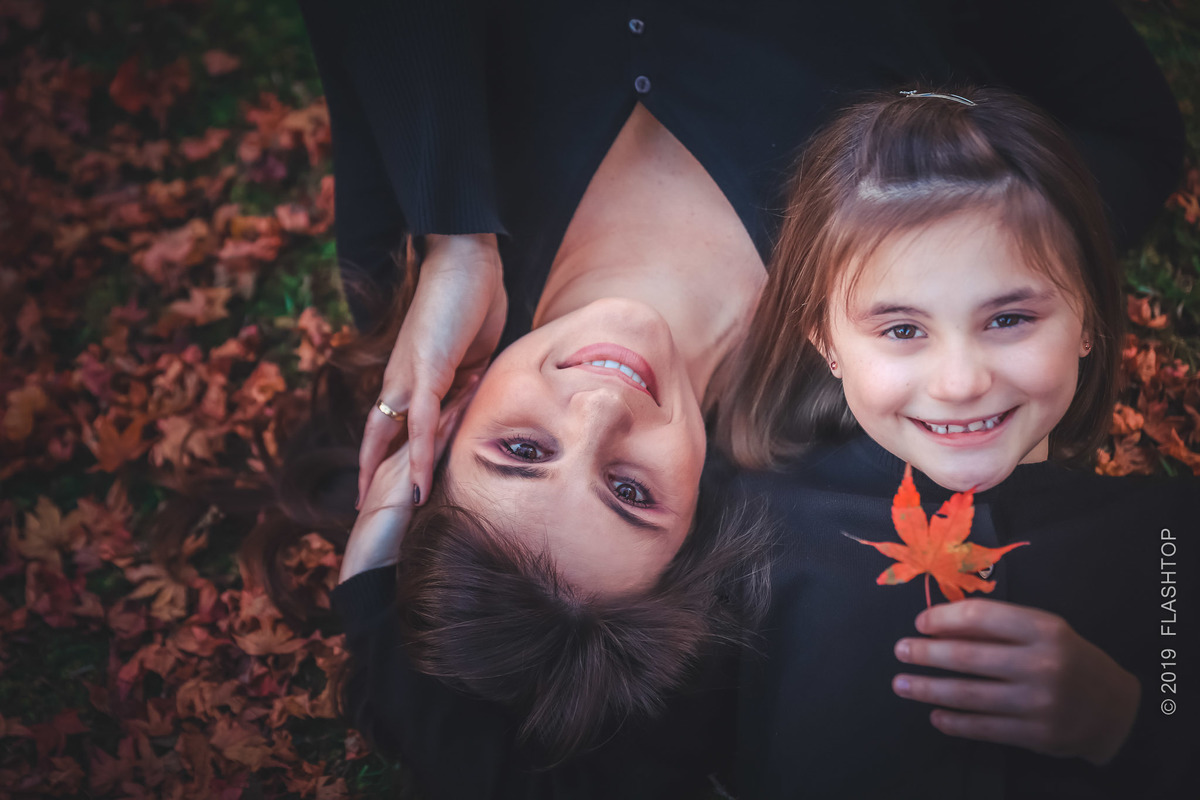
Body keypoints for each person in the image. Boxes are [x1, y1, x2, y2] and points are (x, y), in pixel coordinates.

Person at [277, 1, 1185, 797]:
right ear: (701, 509)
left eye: (520, 451)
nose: (597, 409)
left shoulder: (417, 262)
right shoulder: (904, 300)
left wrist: (455, 239)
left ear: (455, 415)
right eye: (630, 491)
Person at [716, 87, 1196, 798]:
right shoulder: (747, 529)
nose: (962, 381)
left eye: (1008, 319)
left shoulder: (1172, 542)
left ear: (1088, 318)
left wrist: (1128, 722)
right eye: (903, 330)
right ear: (827, 343)